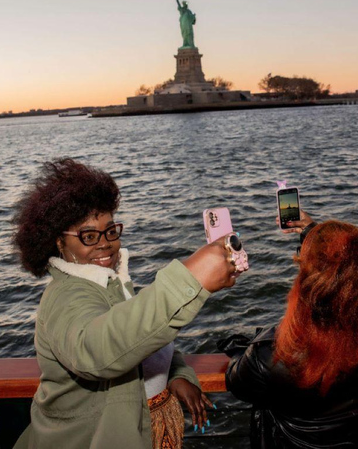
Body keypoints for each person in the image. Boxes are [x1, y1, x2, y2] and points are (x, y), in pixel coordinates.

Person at [12, 158, 239, 449]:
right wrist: (190, 278)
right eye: (89, 235)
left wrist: (176, 375)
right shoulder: (66, 297)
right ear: (59, 242)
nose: (105, 243)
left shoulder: (109, 282)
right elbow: (96, 350)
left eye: (110, 231)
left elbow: (140, 339)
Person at [219, 211, 358, 449]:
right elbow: (348, 281)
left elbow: (237, 381)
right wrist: (314, 233)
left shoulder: (271, 357)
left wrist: (250, 347)